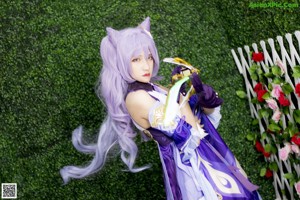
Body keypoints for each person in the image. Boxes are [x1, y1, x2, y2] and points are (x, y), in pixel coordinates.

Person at [60, 17, 262, 200]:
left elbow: (203, 123)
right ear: (121, 63)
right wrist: (182, 92)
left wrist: (203, 98)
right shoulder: (136, 98)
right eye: (136, 59)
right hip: (190, 168)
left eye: (148, 56)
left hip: (205, 156)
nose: (146, 66)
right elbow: (189, 135)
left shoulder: (155, 88)